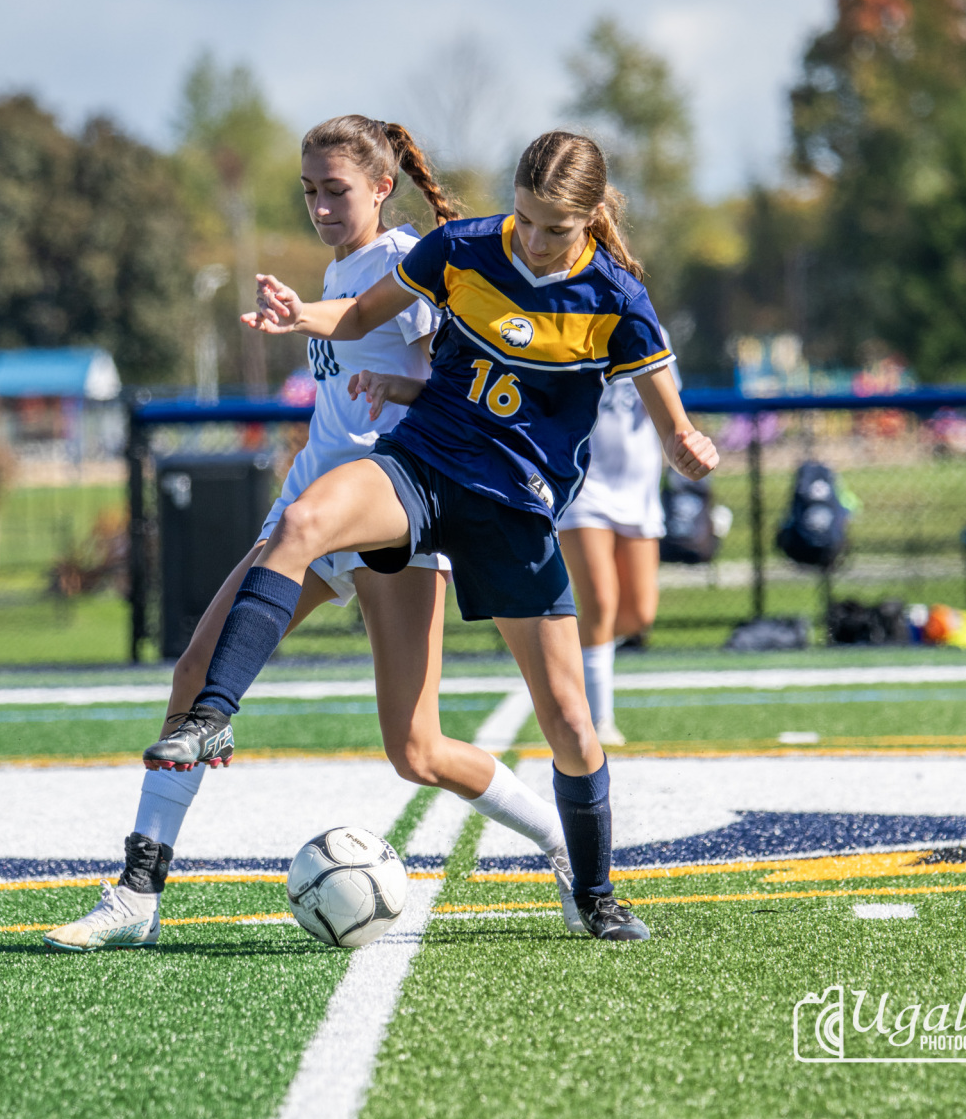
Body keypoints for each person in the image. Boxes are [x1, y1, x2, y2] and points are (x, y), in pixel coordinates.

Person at [139, 131, 719, 941]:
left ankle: (593, 892)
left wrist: (687, 446)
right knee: (302, 523)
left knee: (570, 722)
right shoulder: (463, 247)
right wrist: (302, 316)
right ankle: (211, 717)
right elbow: (359, 313)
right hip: (421, 467)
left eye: (555, 228)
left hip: (514, 510)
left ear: (591, 218)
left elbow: (671, 420)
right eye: (524, 219)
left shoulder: (616, 298)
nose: (535, 240)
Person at [44, 117, 579, 951]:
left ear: (381, 187)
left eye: (337, 190)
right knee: (193, 672)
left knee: (417, 749)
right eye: (309, 192)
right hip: (309, 508)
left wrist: (387, 382)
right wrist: (304, 316)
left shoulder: (410, 260)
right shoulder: (337, 270)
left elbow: (453, 379)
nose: (322, 206)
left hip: (395, 509)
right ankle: (138, 892)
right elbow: (347, 326)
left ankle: (561, 843)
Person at [558, 357, 678, 746]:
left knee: (638, 614)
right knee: (600, 602)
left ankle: (559, 656)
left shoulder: (649, 330)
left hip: (638, 490)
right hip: (582, 483)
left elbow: (668, 407)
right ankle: (598, 722)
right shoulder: (568, 329)